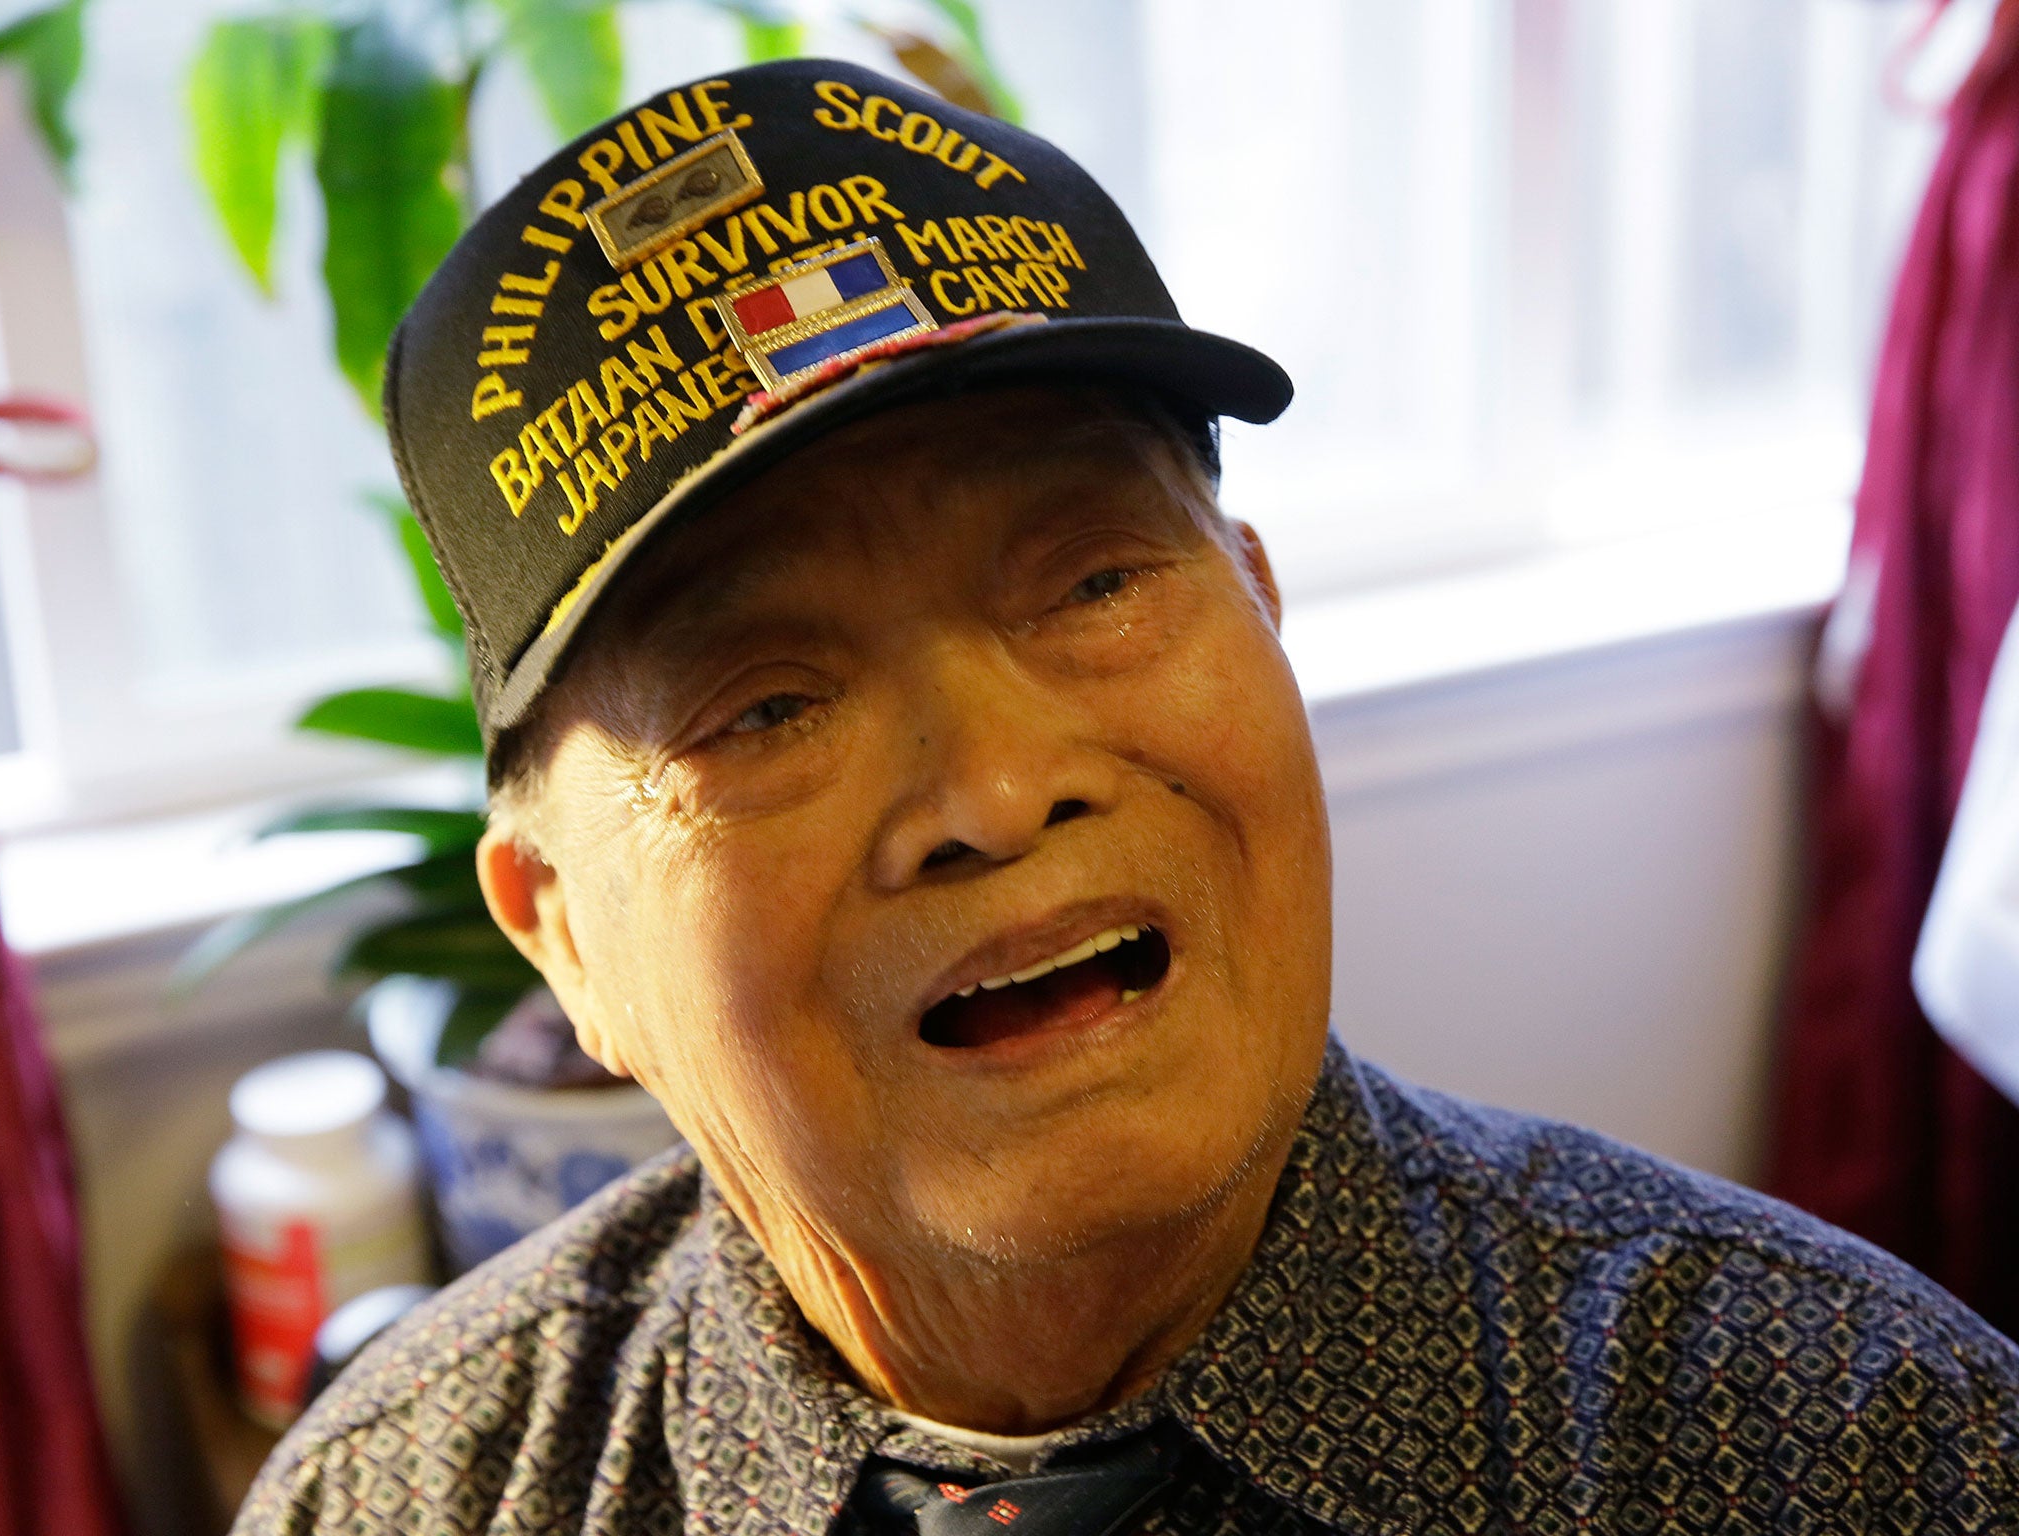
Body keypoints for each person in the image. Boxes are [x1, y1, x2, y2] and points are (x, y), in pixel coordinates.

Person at [234, 58, 2019, 1536]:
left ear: (1261, 604)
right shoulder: (412, 1498)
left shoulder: (1854, 1453)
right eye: (766, 704)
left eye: (1092, 585)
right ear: (564, 941)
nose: (996, 793)